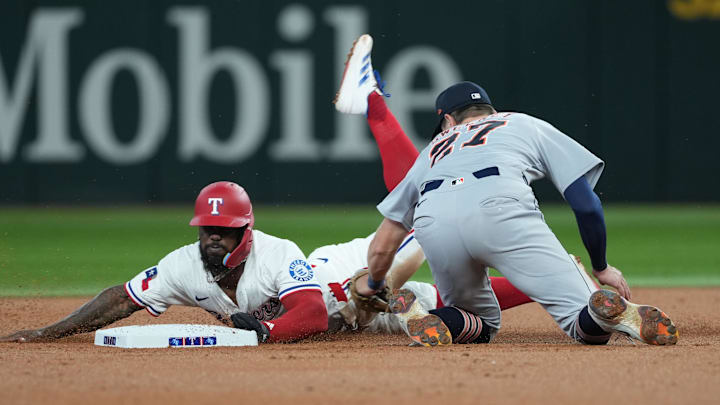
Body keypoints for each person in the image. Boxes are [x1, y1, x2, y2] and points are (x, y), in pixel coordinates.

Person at [336, 34, 679, 347]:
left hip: (434, 225)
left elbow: (384, 243)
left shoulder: (432, 151)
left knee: (478, 322)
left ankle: (429, 318)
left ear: (448, 122)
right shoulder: (521, 123)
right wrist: (601, 266)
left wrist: (375, 284)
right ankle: (603, 315)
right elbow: (585, 203)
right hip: (501, 210)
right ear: (490, 111)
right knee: (582, 325)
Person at [0, 181, 329, 343]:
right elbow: (122, 299)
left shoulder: (277, 253)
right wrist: (46, 333)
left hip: (334, 293)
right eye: (206, 228)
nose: (213, 237)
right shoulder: (184, 265)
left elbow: (315, 313)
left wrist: (266, 332)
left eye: (224, 230)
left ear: (246, 231)